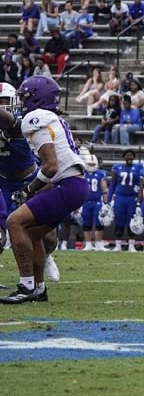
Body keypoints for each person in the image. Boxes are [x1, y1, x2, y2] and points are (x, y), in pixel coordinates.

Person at [0, 78, 85, 303]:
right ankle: (38, 288)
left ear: (37, 98)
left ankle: (26, 286)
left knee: (14, 222)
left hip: (65, 184)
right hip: (72, 184)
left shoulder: (35, 118)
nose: (21, 102)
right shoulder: (50, 118)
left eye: (25, 97)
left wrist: (29, 189)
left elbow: (50, 166)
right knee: (30, 231)